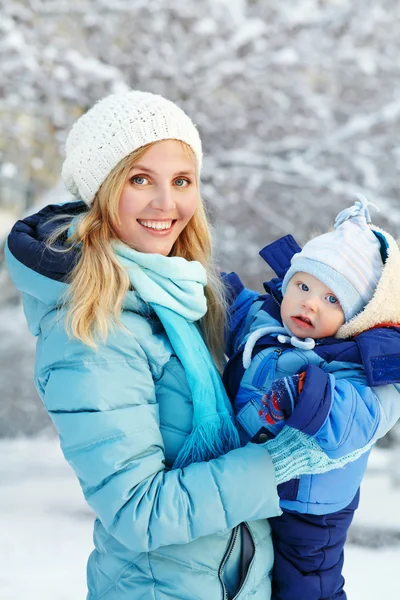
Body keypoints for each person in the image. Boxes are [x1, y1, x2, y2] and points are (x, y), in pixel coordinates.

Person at [4, 91, 395, 600]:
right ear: (101, 189)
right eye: (139, 179)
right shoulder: (94, 329)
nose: (166, 204)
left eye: (182, 181)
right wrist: (280, 462)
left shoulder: (176, 293)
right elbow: (138, 512)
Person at [223, 197, 400, 600]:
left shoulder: (351, 358)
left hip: (312, 506)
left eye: (332, 299)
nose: (310, 302)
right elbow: (225, 307)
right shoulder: (264, 322)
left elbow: (357, 416)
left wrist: (304, 393)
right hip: (255, 483)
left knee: (308, 585)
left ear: (353, 316)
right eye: (303, 286)